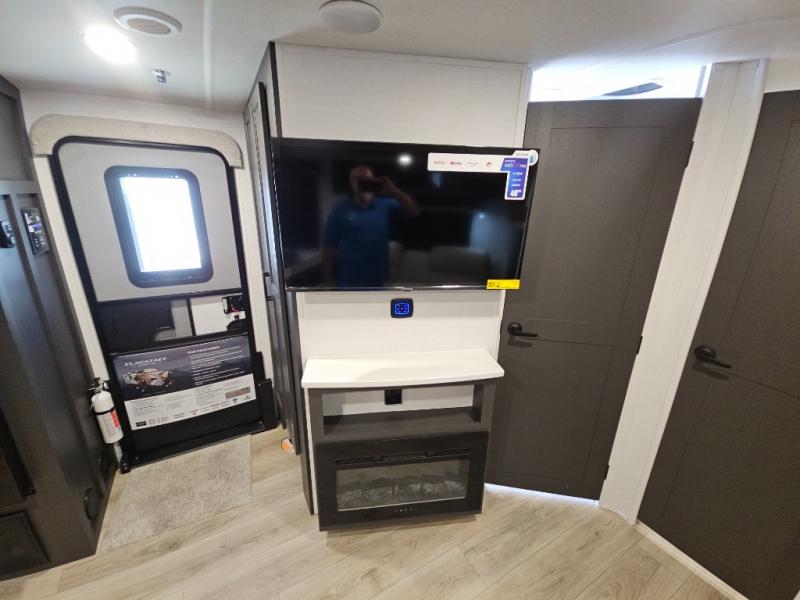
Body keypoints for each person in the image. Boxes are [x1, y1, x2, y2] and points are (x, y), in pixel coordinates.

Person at [322, 164, 417, 287]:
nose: (362, 181)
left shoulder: (385, 205)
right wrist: (327, 278)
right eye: (358, 179)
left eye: (366, 178)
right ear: (351, 184)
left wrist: (395, 191)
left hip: (378, 279)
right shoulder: (340, 209)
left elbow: (412, 212)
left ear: (373, 181)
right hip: (349, 280)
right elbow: (329, 245)